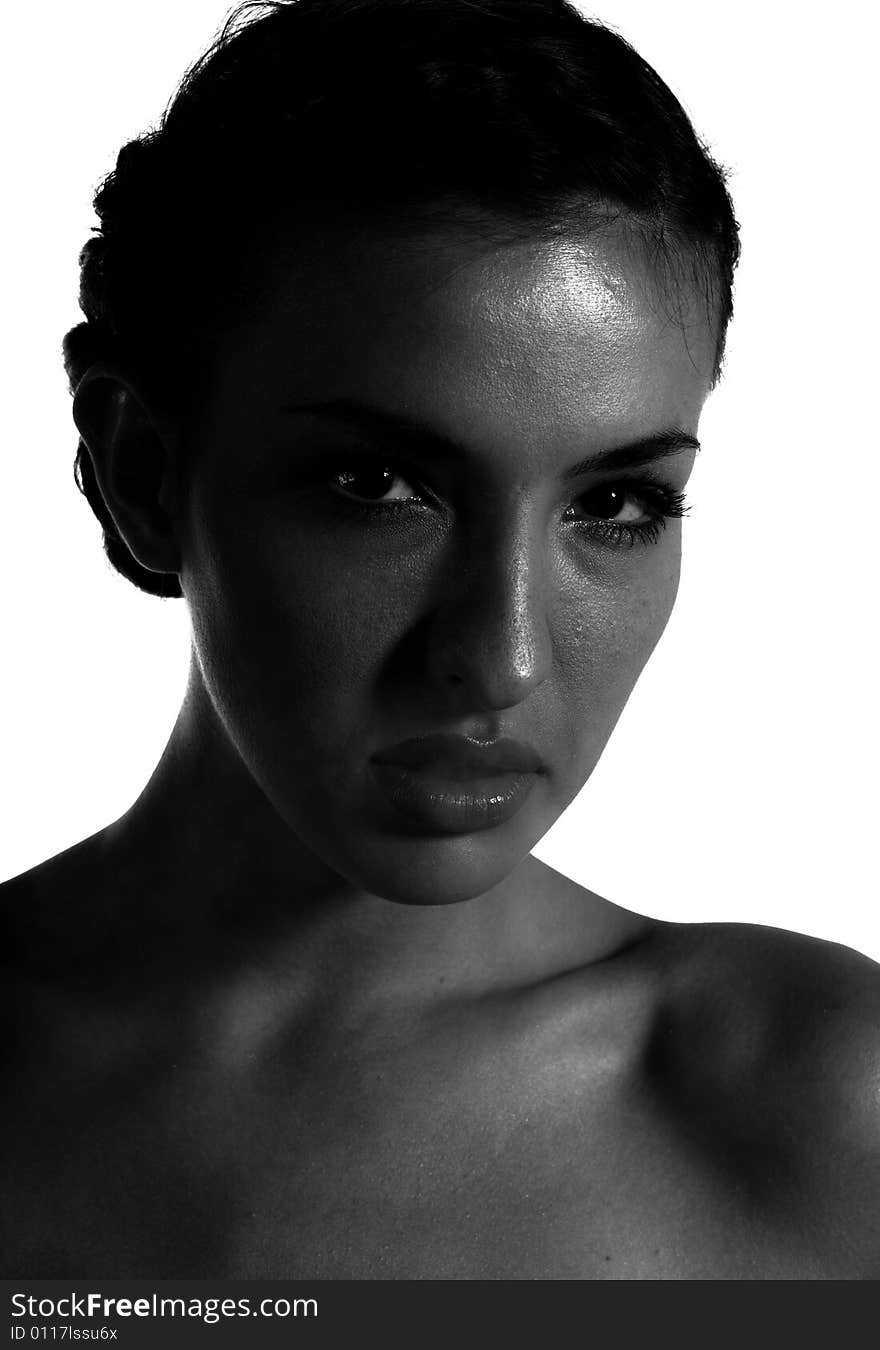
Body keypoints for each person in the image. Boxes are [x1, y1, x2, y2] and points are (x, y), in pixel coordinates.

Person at [1, 0, 878, 1281]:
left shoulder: (817, 1104)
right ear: (141, 470)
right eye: (378, 488)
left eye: (616, 502)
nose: (499, 657)